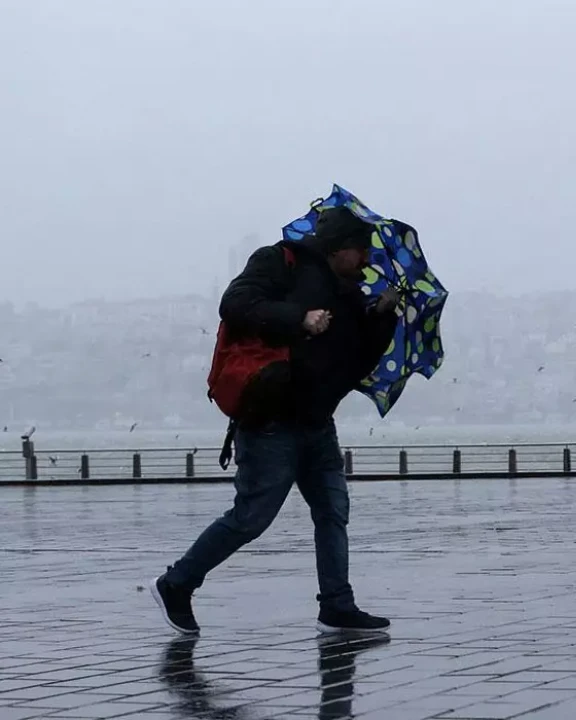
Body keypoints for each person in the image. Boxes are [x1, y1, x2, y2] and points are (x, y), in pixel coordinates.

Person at [151, 207, 399, 636]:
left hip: (318, 424)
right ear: (340, 248)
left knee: (332, 512)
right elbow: (235, 304)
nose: (367, 260)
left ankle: (337, 606)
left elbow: (356, 364)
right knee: (252, 517)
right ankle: (177, 583)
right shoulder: (278, 261)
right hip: (271, 422)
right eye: (362, 250)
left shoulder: (351, 295)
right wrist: (298, 318)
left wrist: (381, 317)